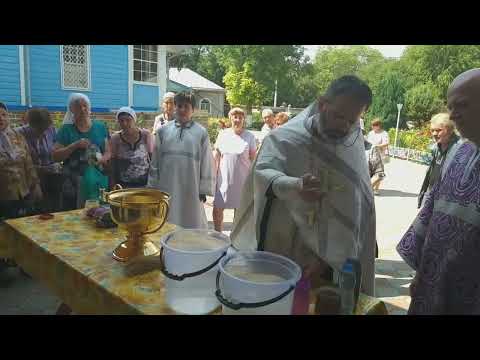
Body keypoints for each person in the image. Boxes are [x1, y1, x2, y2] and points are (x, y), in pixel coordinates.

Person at [230, 75, 376, 296]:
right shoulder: (285, 139)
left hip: (327, 262)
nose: (344, 126)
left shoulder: (351, 147)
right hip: (282, 246)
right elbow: (262, 174)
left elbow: (357, 207)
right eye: (338, 116)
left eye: (351, 120)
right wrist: (294, 186)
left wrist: (327, 259)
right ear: (321, 103)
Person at [397, 68, 480, 314]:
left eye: (461, 105)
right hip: (432, 282)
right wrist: (421, 272)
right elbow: (431, 214)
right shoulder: (458, 152)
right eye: (450, 106)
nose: (453, 116)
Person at [148, 92, 215, 229]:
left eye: (186, 106)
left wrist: (204, 188)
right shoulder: (163, 131)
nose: (182, 109)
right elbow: (155, 161)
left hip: (192, 187)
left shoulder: (201, 133)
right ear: (174, 107)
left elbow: (207, 161)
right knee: (167, 222)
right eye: (179, 106)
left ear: (193, 110)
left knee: (191, 224)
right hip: (167, 186)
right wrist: (153, 186)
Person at [52, 93, 111, 210]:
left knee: (98, 212)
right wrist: (75, 145)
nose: (82, 109)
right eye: (78, 107)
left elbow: (108, 151)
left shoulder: (100, 127)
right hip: (73, 182)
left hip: (97, 179)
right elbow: (55, 156)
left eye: (85, 106)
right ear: (71, 110)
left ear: (89, 108)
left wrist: (102, 160)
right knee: (73, 214)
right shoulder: (66, 130)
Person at [212, 107, 257, 232]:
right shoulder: (223, 134)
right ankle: (218, 236)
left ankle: (236, 238)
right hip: (223, 179)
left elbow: (253, 159)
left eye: (240, 117)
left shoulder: (250, 136)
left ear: (244, 120)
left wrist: (253, 181)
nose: (237, 120)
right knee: (217, 209)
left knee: (239, 212)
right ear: (230, 118)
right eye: (234, 117)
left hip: (242, 181)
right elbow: (216, 156)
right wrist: (212, 176)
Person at [0, 102, 43, 219]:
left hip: (23, 192)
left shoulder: (17, 136)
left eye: (4, 115)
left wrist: (35, 185)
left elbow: (28, 163)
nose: (1, 118)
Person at [16, 108, 63, 213]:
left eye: (45, 128)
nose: (43, 132)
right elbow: (20, 164)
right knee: (32, 214)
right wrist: (46, 169)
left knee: (52, 212)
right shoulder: (19, 134)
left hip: (51, 180)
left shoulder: (52, 130)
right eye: (39, 129)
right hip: (29, 181)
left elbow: (56, 151)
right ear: (31, 124)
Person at [417, 112, 461, 209]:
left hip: (447, 201)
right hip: (430, 193)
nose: (434, 134)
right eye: (432, 130)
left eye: (438, 130)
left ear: (450, 130)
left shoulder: (461, 149)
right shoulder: (436, 147)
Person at [110, 106, 153, 188]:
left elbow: (153, 159)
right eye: (121, 121)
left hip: (144, 184)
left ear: (134, 120)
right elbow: (113, 162)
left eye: (128, 120)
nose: (124, 123)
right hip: (123, 185)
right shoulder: (115, 138)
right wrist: (112, 184)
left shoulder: (145, 135)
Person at [366, 118, 389, 195]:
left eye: (374, 126)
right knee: (369, 172)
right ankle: (370, 187)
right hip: (370, 155)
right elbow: (367, 142)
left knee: (379, 173)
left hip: (380, 156)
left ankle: (376, 189)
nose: (372, 127)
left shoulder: (384, 133)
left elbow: (386, 143)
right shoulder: (371, 133)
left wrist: (377, 146)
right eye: (372, 126)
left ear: (378, 126)